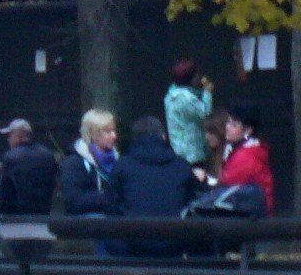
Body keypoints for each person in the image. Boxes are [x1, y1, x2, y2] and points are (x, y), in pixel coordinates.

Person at [107, 115, 200, 256]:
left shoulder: (122, 166)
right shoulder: (181, 166)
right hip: (174, 241)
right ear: (163, 137)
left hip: (132, 241)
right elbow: (193, 200)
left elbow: (112, 204)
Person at [0, 118, 58, 216]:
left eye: (10, 135)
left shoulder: (10, 157)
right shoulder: (48, 155)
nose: (8, 139)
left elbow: (0, 192)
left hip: (18, 217)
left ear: (19, 137)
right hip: (44, 214)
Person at [217, 104, 275, 214]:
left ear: (248, 130)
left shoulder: (246, 157)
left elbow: (226, 186)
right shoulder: (248, 151)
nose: (227, 127)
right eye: (228, 122)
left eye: (234, 125)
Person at [59, 109, 117, 216]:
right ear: (92, 134)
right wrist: (107, 197)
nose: (114, 136)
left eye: (114, 131)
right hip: (86, 226)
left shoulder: (118, 161)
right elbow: (72, 201)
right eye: (108, 132)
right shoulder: (73, 163)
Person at [163, 61, 214, 169]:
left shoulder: (171, 94)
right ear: (190, 78)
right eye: (197, 75)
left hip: (179, 151)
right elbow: (205, 114)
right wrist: (207, 92)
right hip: (191, 154)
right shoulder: (184, 97)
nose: (200, 78)